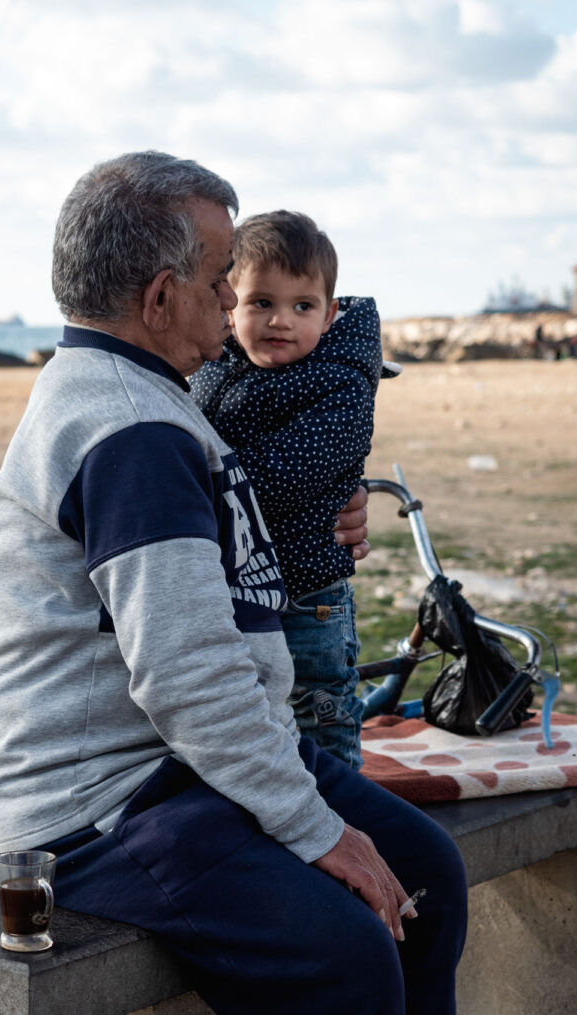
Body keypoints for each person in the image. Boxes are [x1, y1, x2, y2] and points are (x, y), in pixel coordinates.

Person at [0, 150, 467, 1015]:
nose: (229, 304)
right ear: (161, 298)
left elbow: (218, 570)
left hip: (186, 770)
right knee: (344, 953)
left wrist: (330, 519)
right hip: (104, 809)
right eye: (214, 284)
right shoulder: (129, 430)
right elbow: (188, 677)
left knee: (423, 869)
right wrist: (316, 832)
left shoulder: (152, 399)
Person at [191, 210, 397, 770]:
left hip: (309, 598)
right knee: (249, 713)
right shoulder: (214, 367)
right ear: (230, 303)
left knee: (320, 711)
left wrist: (189, 479)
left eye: (302, 306)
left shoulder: (341, 384)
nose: (281, 321)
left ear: (330, 315)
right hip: (240, 588)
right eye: (262, 303)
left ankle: (341, 814)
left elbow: (280, 475)